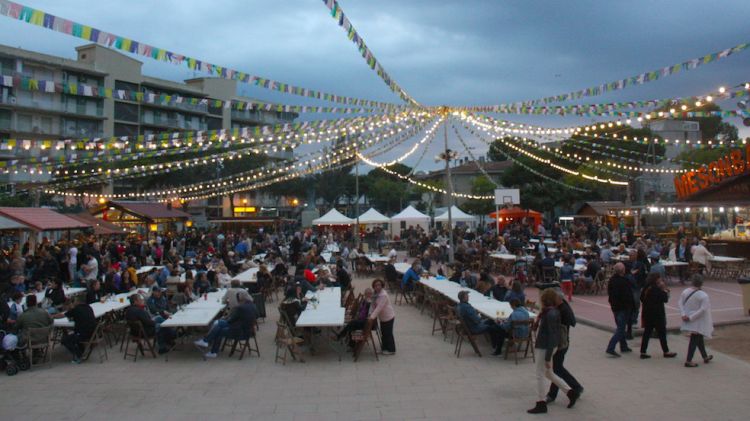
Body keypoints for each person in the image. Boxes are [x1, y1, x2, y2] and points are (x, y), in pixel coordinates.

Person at [528, 288, 579, 414]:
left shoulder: (550, 314)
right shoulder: (549, 312)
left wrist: (548, 356)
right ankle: (570, 392)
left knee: (540, 374)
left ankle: (541, 403)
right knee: (548, 373)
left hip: (545, 347)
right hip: (546, 345)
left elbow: (552, 335)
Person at [546, 292, 584, 404]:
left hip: (561, 344)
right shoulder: (562, 306)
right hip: (561, 343)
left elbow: (569, 323)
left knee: (556, 369)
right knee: (557, 369)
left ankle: (554, 394)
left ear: (558, 299)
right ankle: (575, 387)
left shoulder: (563, 310)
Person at [194, 293, 258, 358]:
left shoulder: (240, 308)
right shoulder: (253, 306)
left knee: (219, 328)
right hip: (249, 331)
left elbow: (231, 321)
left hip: (240, 332)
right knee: (219, 326)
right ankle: (208, 343)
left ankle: (209, 346)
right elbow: (256, 316)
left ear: (241, 300)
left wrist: (226, 319)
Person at [639, 273, 677, 359]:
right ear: (656, 280)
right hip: (657, 314)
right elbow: (665, 299)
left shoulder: (646, 287)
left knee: (647, 333)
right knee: (662, 333)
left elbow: (641, 298)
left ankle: (643, 351)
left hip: (647, 313)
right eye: (659, 280)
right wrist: (664, 289)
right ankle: (666, 351)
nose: (661, 282)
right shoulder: (657, 289)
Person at [679, 275, 714, 368]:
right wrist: (691, 317)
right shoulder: (703, 295)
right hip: (697, 320)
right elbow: (703, 310)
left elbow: (680, 304)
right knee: (695, 338)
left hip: (687, 317)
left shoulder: (685, 292)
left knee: (698, 338)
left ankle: (705, 356)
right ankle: (688, 360)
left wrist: (683, 315)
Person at [456, 290, 504, 355]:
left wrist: (476, 314)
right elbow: (477, 320)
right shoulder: (467, 307)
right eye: (467, 296)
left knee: (491, 320)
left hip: (468, 326)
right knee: (495, 327)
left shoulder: (459, 306)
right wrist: (480, 316)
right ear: (464, 298)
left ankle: (494, 345)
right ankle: (498, 349)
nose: (468, 297)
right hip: (475, 328)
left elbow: (472, 317)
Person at [53, 299, 96, 363]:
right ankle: (81, 351)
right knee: (74, 334)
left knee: (65, 340)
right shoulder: (87, 307)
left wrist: (52, 316)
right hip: (93, 332)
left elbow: (62, 315)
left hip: (84, 334)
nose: (67, 309)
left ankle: (78, 355)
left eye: (67, 308)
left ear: (70, 305)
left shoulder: (75, 310)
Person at [605, 262, 633, 357]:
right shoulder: (624, 281)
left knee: (620, 326)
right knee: (621, 328)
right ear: (623, 270)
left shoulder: (612, 280)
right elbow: (628, 295)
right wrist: (631, 305)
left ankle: (623, 345)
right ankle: (611, 347)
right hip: (623, 307)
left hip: (615, 307)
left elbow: (610, 293)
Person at [369, 279, 396, 355]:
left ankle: (391, 349)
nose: (377, 287)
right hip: (382, 317)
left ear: (382, 286)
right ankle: (384, 348)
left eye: (379, 285)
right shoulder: (375, 293)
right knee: (383, 333)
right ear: (373, 286)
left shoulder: (383, 295)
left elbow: (379, 307)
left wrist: (372, 317)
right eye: (376, 285)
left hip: (388, 316)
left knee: (388, 333)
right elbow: (373, 305)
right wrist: (370, 313)